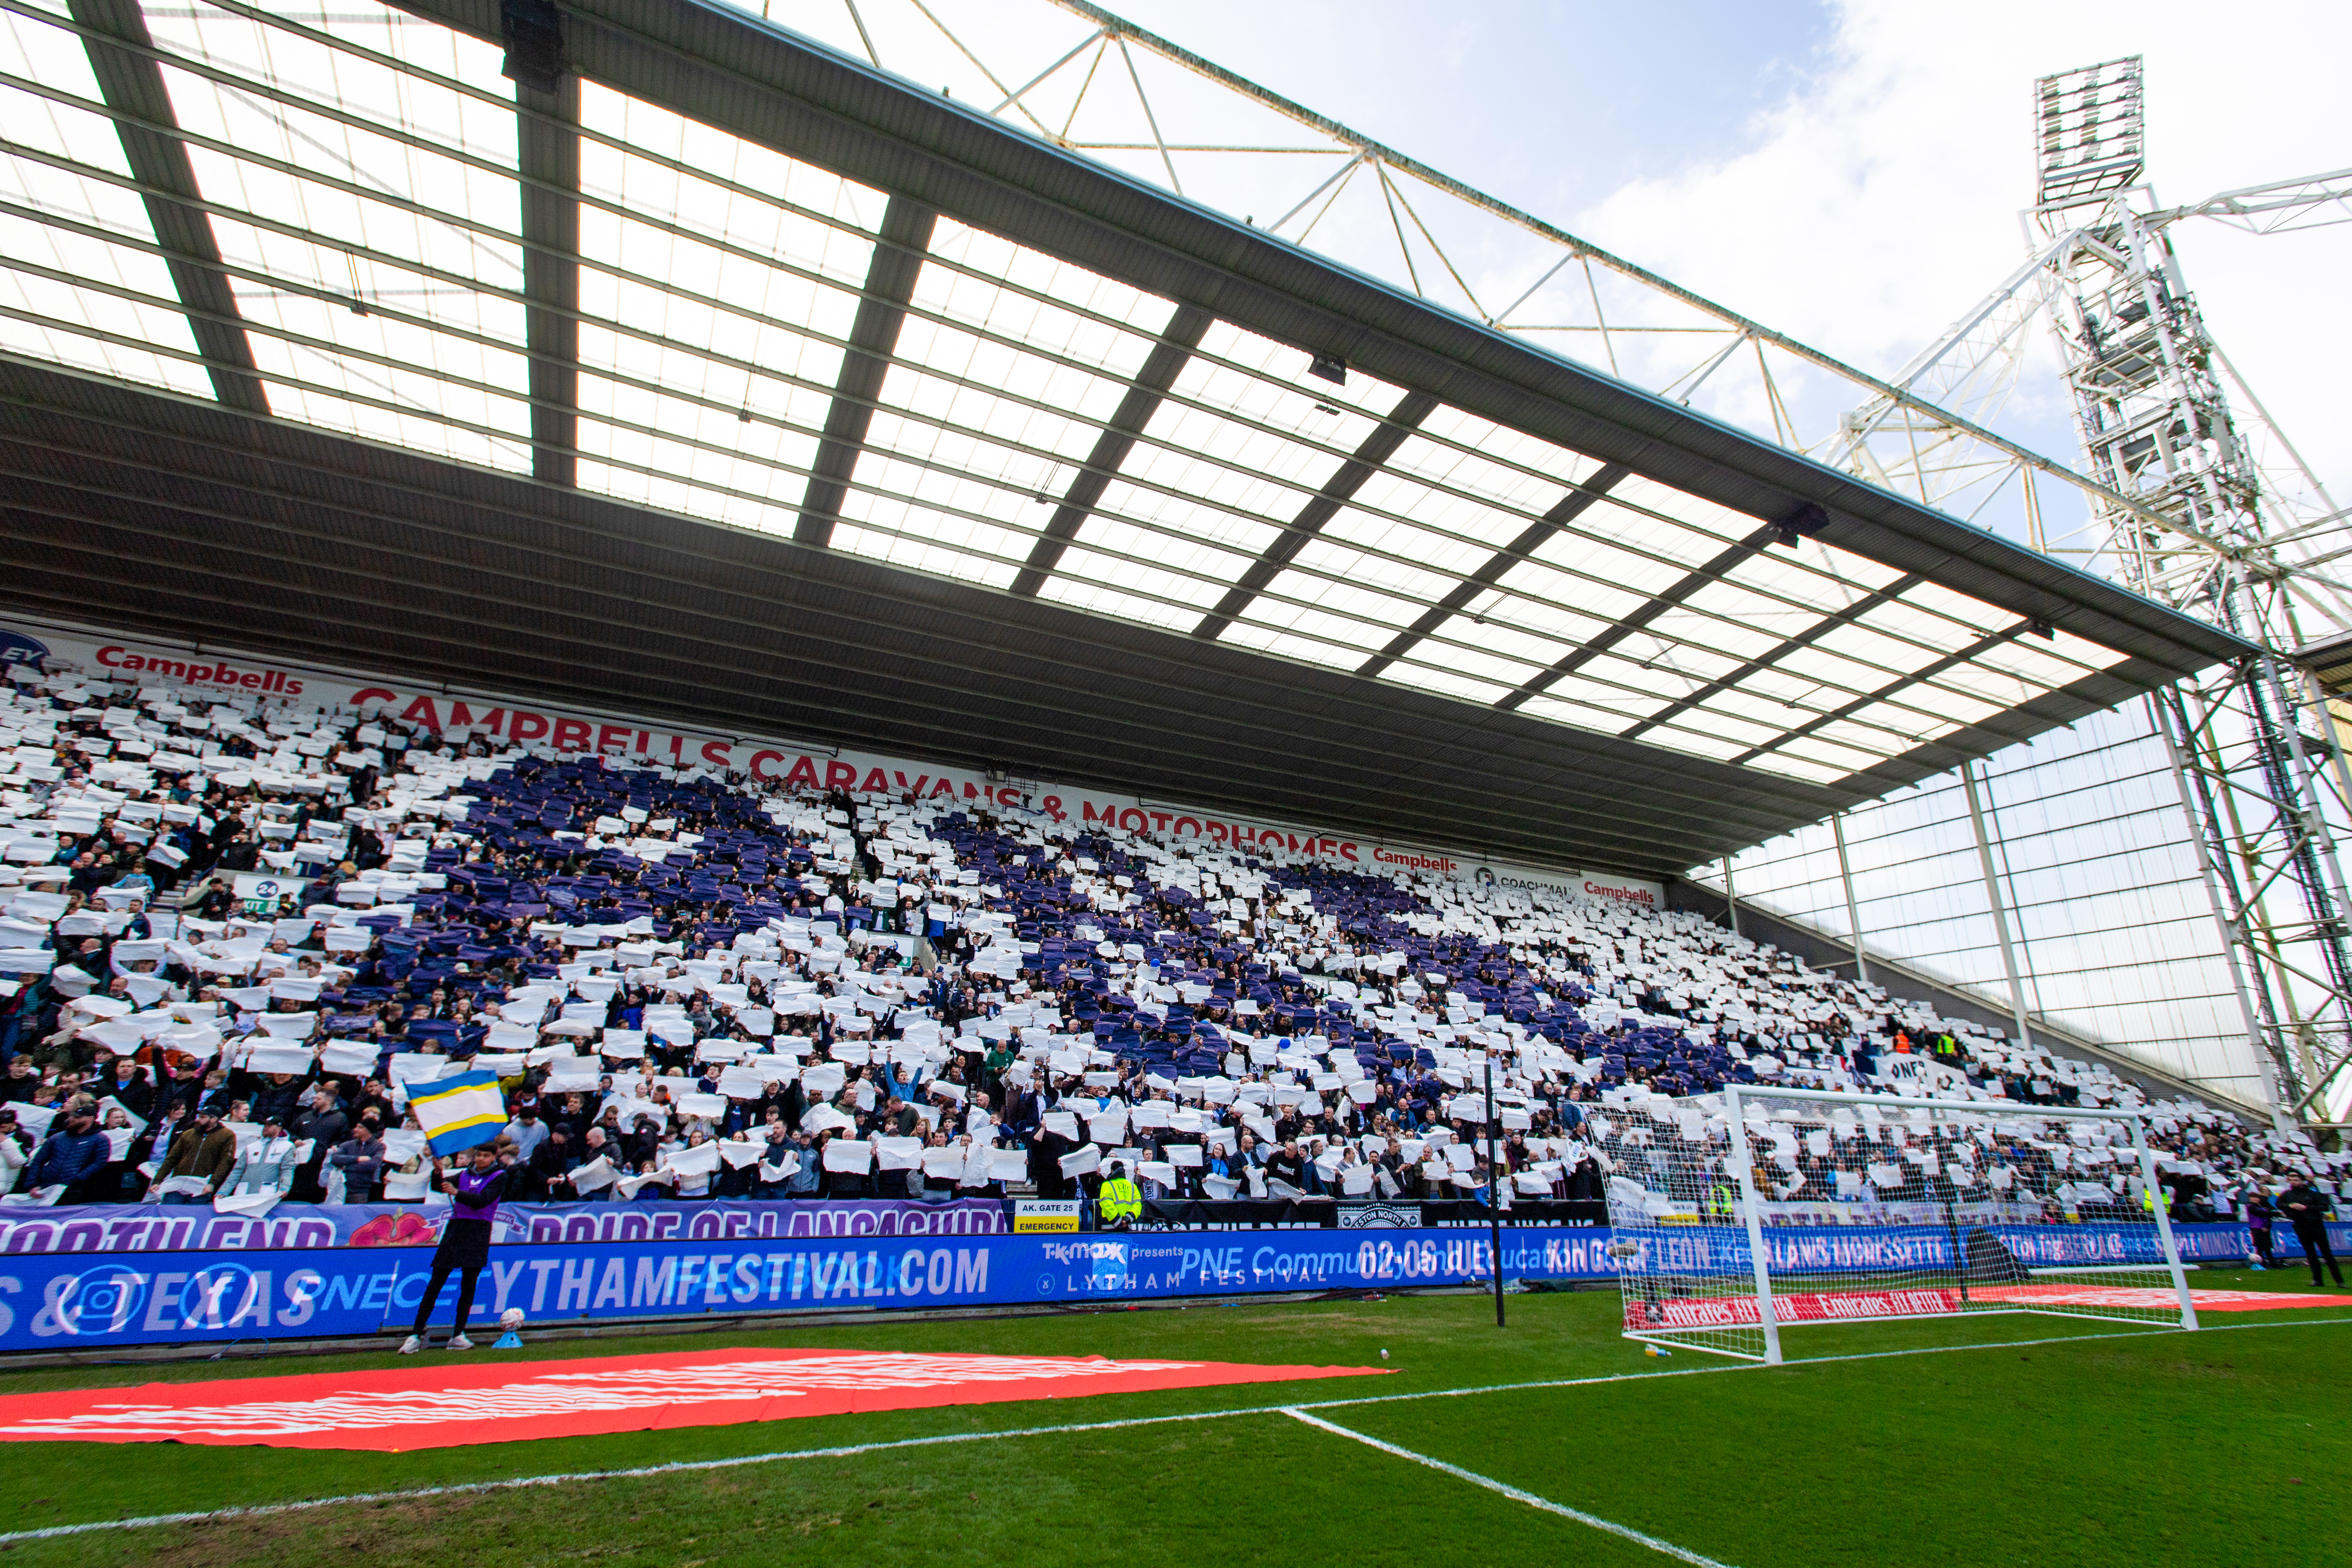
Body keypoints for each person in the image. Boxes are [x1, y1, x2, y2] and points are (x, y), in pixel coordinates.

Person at [401, 1141, 511, 1353]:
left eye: (486, 1156)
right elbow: (438, 1186)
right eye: (479, 1155)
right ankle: (415, 1335)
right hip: (456, 1228)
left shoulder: (499, 1177)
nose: (481, 1159)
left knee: (469, 1285)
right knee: (436, 1283)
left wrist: (457, 1193)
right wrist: (437, 1171)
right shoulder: (463, 1175)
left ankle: (458, 1334)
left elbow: (482, 1200)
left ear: (494, 1158)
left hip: (478, 1230)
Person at [24, 1102, 109, 1203]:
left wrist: (79, 1177)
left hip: (74, 1189)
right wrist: (33, 1184)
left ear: (90, 1119)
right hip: (47, 1185)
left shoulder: (101, 1140)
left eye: (78, 1118)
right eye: (73, 1116)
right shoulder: (57, 1137)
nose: (73, 1120)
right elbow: (38, 1161)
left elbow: (99, 1163)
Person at [2276, 1175, 2343, 1288]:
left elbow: (2325, 1207)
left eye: (2296, 1180)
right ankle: (2317, 1280)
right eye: (2292, 1180)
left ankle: (2339, 1281)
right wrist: (2290, 1205)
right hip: (2301, 1226)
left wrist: (2306, 1208)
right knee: (2311, 1254)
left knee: (2327, 1254)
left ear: (2302, 1181)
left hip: (2316, 1226)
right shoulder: (2287, 1194)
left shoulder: (2313, 1194)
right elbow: (2279, 1204)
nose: (2294, 1182)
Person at [1096, 1159, 1141, 1230]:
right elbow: (1137, 1205)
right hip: (1127, 1225)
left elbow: (1107, 1204)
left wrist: (1118, 1221)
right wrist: (1127, 1219)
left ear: (1112, 1171)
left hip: (1110, 1225)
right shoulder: (1133, 1186)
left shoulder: (1107, 1185)